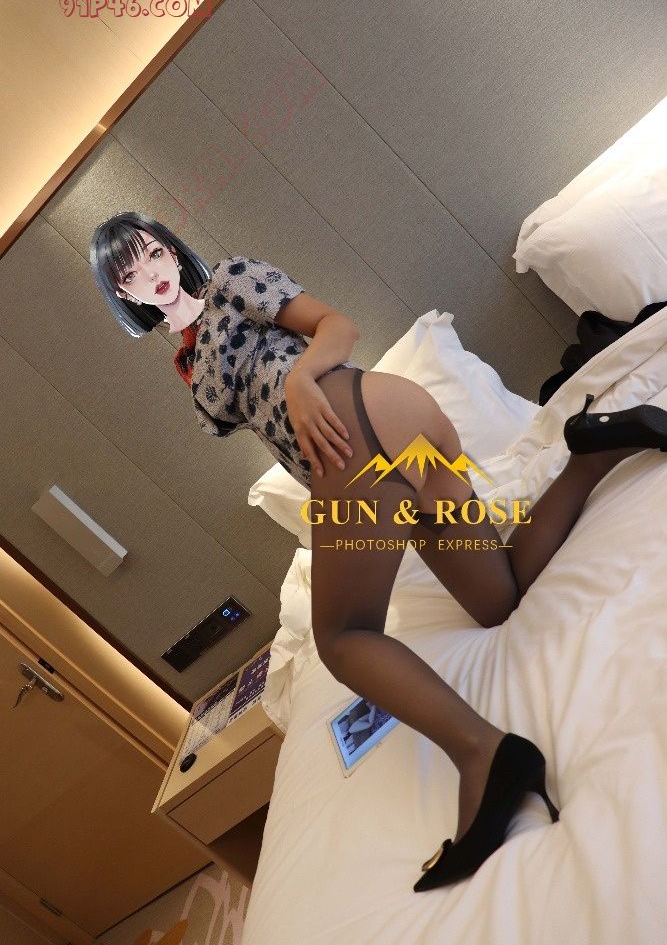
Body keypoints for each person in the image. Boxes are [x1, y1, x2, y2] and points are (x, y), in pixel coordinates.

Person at [90, 211, 667, 890]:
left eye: (152, 252)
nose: (150, 273)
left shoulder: (231, 281)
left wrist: (302, 379)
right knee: (498, 598)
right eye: (130, 272)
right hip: (400, 438)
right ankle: (593, 449)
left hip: (359, 429)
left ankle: (486, 756)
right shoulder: (185, 359)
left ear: (170, 248)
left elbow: (336, 326)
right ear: (123, 293)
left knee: (342, 637)